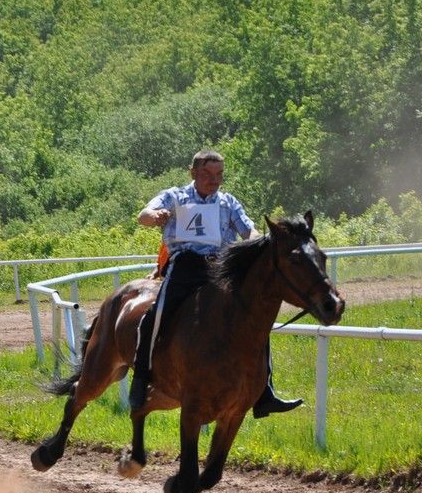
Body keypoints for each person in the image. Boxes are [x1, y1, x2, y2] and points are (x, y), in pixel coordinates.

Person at [128, 149, 302, 417]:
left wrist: (255, 241)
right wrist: (156, 215)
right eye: (208, 174)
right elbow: (144, 215)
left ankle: (265, 391)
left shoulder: (228, 203)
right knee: (157, 313)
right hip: (185, 265)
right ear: (193, 173)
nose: (214, 180)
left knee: (254, 318)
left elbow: (249, 230)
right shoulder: (175, 197)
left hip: (221, 267)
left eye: (219, 174)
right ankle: (140, 379)